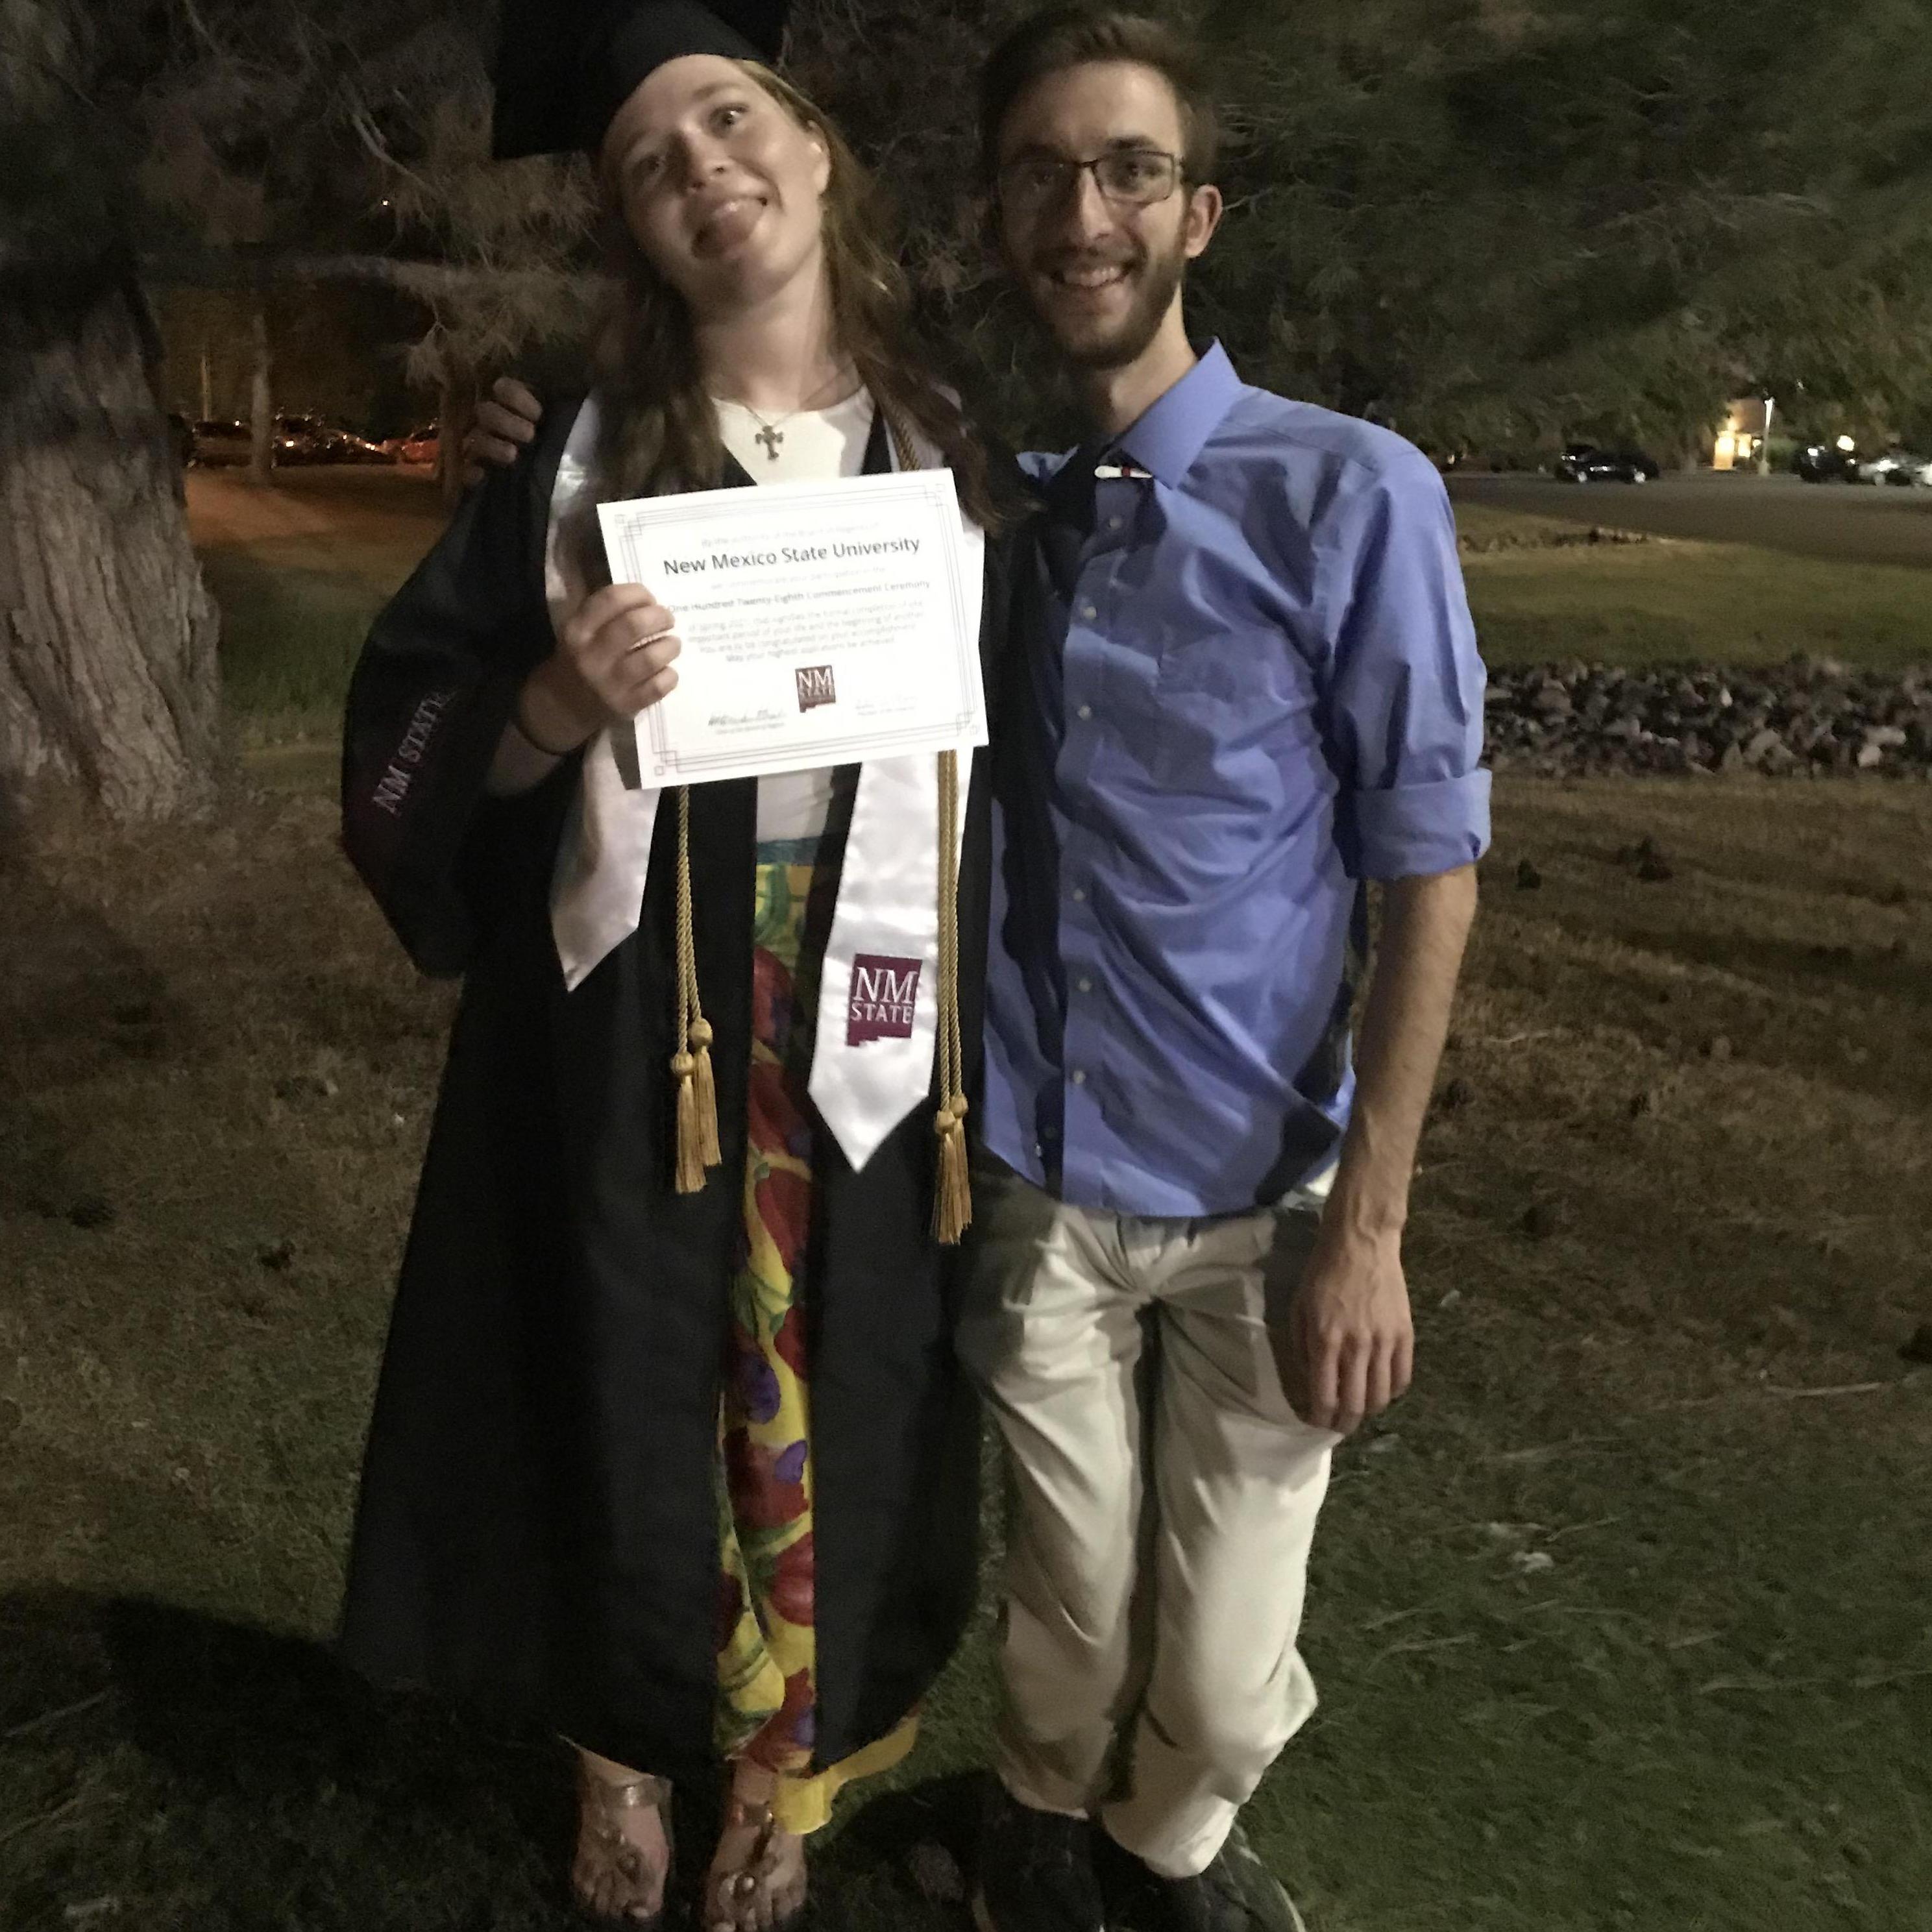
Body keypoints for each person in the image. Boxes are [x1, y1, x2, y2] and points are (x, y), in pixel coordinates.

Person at [464, 11, 1489, 1928]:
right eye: (1040, 174)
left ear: (1198, 210)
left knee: (1013, 1527)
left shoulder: (1171, 490)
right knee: (971, 1542)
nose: (1080, 213)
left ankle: (1096, 1828)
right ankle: (779, 1769)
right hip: (903, 1112)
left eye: (1123, 172)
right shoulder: (973, 495)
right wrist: (523, 448)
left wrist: (1374, 1214)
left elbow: (1429, 852)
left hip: (1129, 1142)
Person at [336, 4, 1014, 1928]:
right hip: (645, 998)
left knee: (831, 1377)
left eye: (729, 119)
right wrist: (550, 699)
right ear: (633, 227)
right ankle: (622, 1754)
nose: (702, 167)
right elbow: (406, 730)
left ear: (810, 148)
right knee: (621, 1365)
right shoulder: (567, 461)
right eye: (649, 160)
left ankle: (780, 1774)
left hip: (877, 994)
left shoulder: (954, 443)